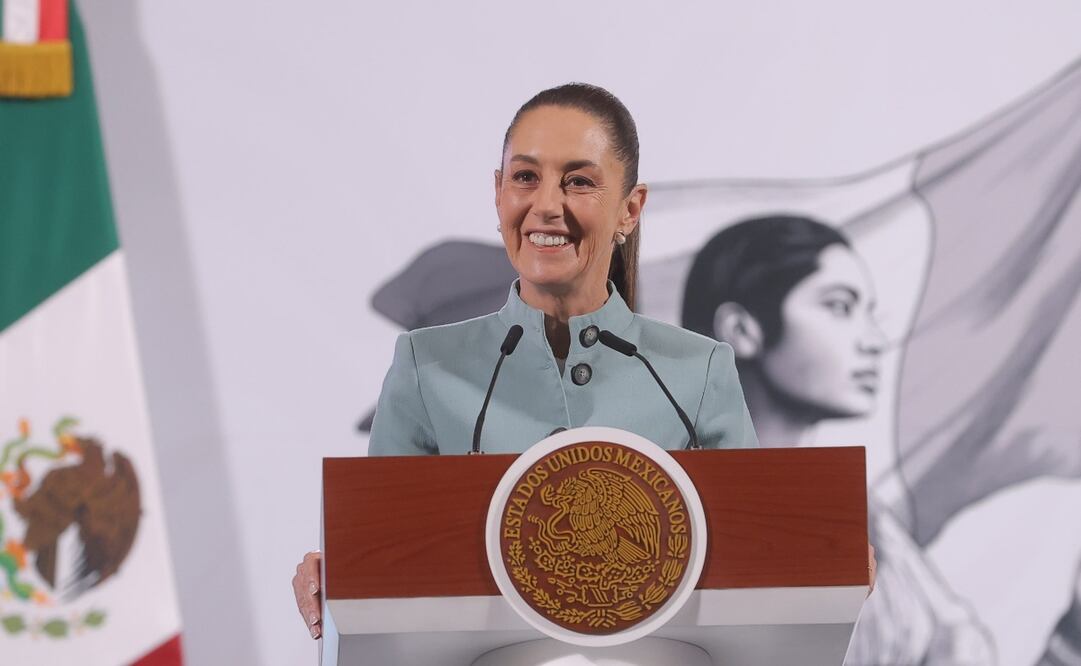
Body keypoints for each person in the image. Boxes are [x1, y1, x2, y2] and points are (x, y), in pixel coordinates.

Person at [292, 83, 767, 639]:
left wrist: (832, 564)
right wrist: (338, 575)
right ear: (499, 194)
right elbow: (386, 555)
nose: (546, 204)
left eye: (579, 181)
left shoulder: (698, 370)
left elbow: (757, 561)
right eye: (525, 177)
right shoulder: (426, 367)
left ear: (629, 209)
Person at [681, 215, 992, 665]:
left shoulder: (866, 512)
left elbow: (955, 638)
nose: (874, 340)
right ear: (742, 330)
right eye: (840, 306)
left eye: (870, 313)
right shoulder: (671, 501)